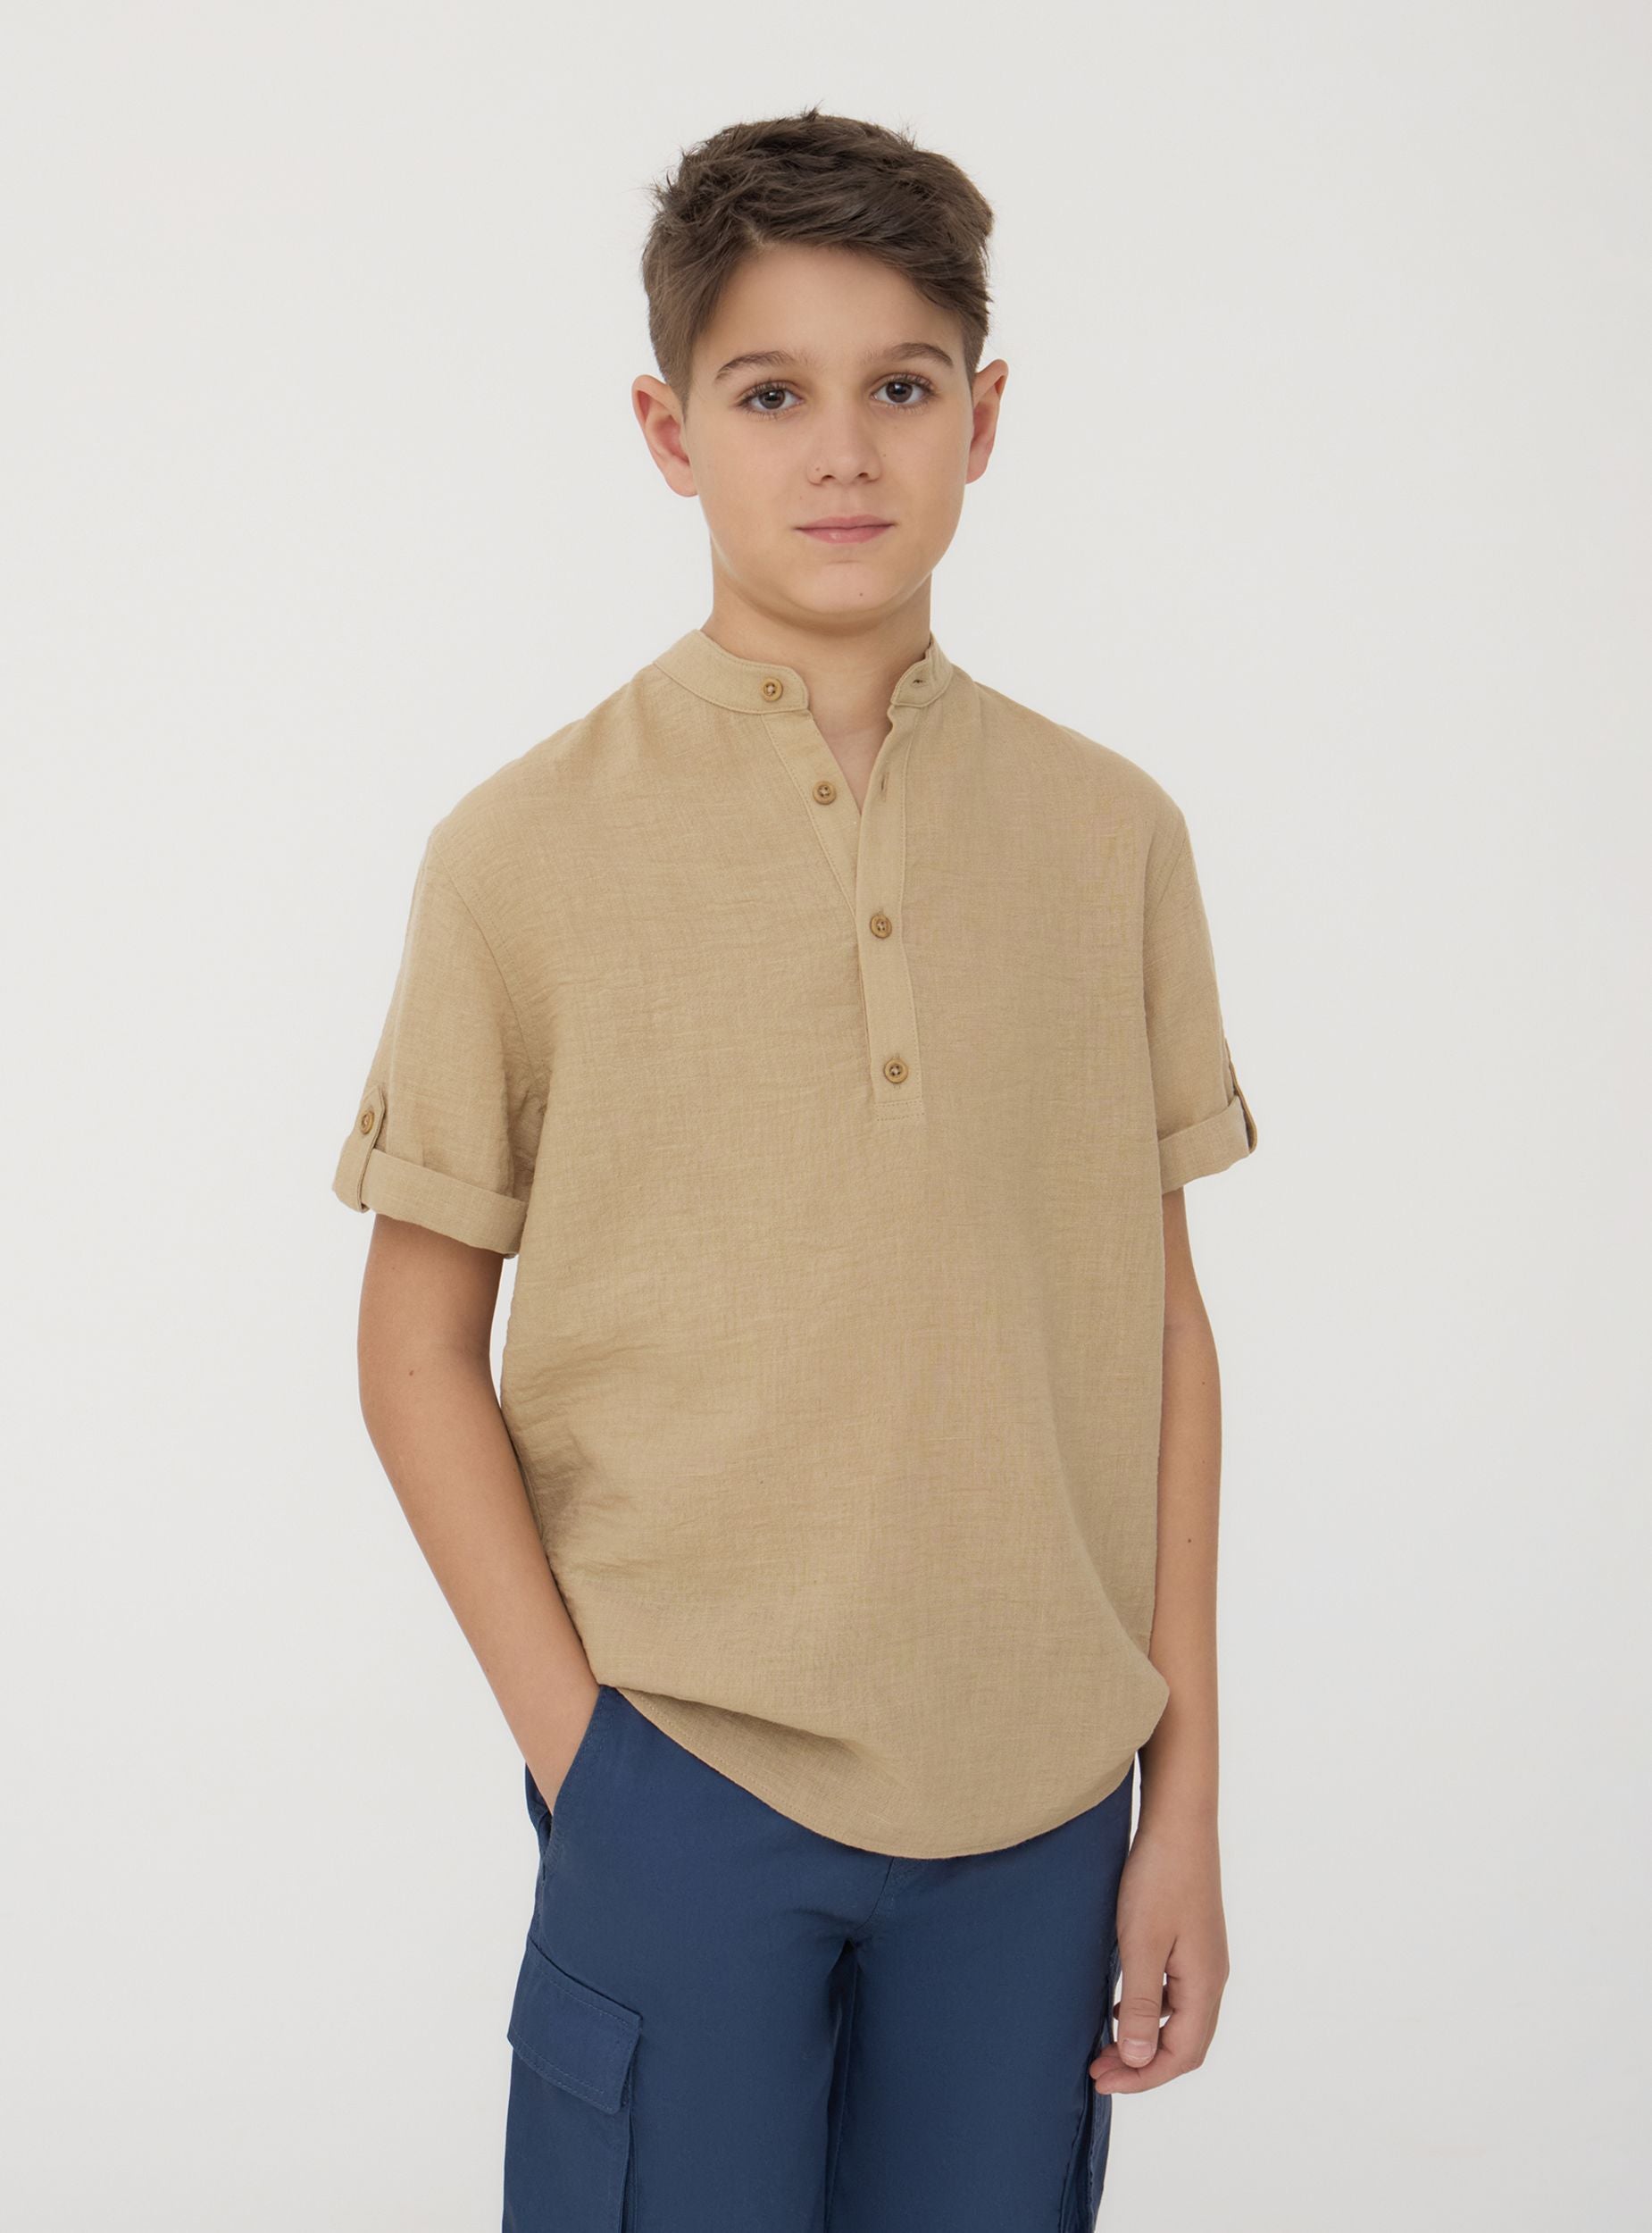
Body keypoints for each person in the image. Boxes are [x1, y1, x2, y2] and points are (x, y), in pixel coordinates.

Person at [330, 105, 1259, 2233]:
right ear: (670, 433)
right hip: (685, 1780)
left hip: (1040, 1795)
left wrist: (1183, 1790)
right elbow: (411, 1344)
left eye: (899, 388)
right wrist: (590, 1761)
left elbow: (1160, 1324)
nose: (843, 452)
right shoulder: (520, 853)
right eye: (771, 395)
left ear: (982, 418)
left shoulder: (1110, 836)